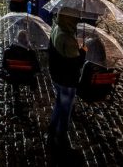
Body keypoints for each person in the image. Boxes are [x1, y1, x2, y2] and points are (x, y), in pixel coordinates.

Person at [47, 9, 86, 153]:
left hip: (57, 75)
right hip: (67, 80)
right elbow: (75, 63)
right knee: (66, 110)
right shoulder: (68, 39)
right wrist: (83, 51)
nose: (77, 21)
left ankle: (52, 127)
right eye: (75, 18)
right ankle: (61, 139)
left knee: (59, 102)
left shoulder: (56, 28)